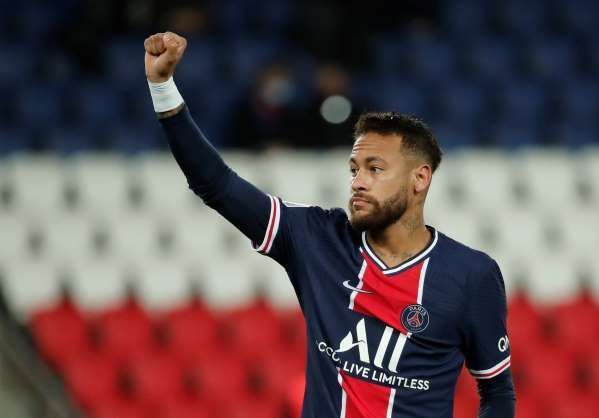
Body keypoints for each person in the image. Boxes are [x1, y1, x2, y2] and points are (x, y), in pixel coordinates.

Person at [144, 32, 515, 418]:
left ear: (419, 179)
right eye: (354, 169)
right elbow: (217, 185)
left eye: (375, 169)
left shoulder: (472, 275)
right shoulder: (316, 238)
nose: (357, 181)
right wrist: (163, 88)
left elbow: (497, 392)